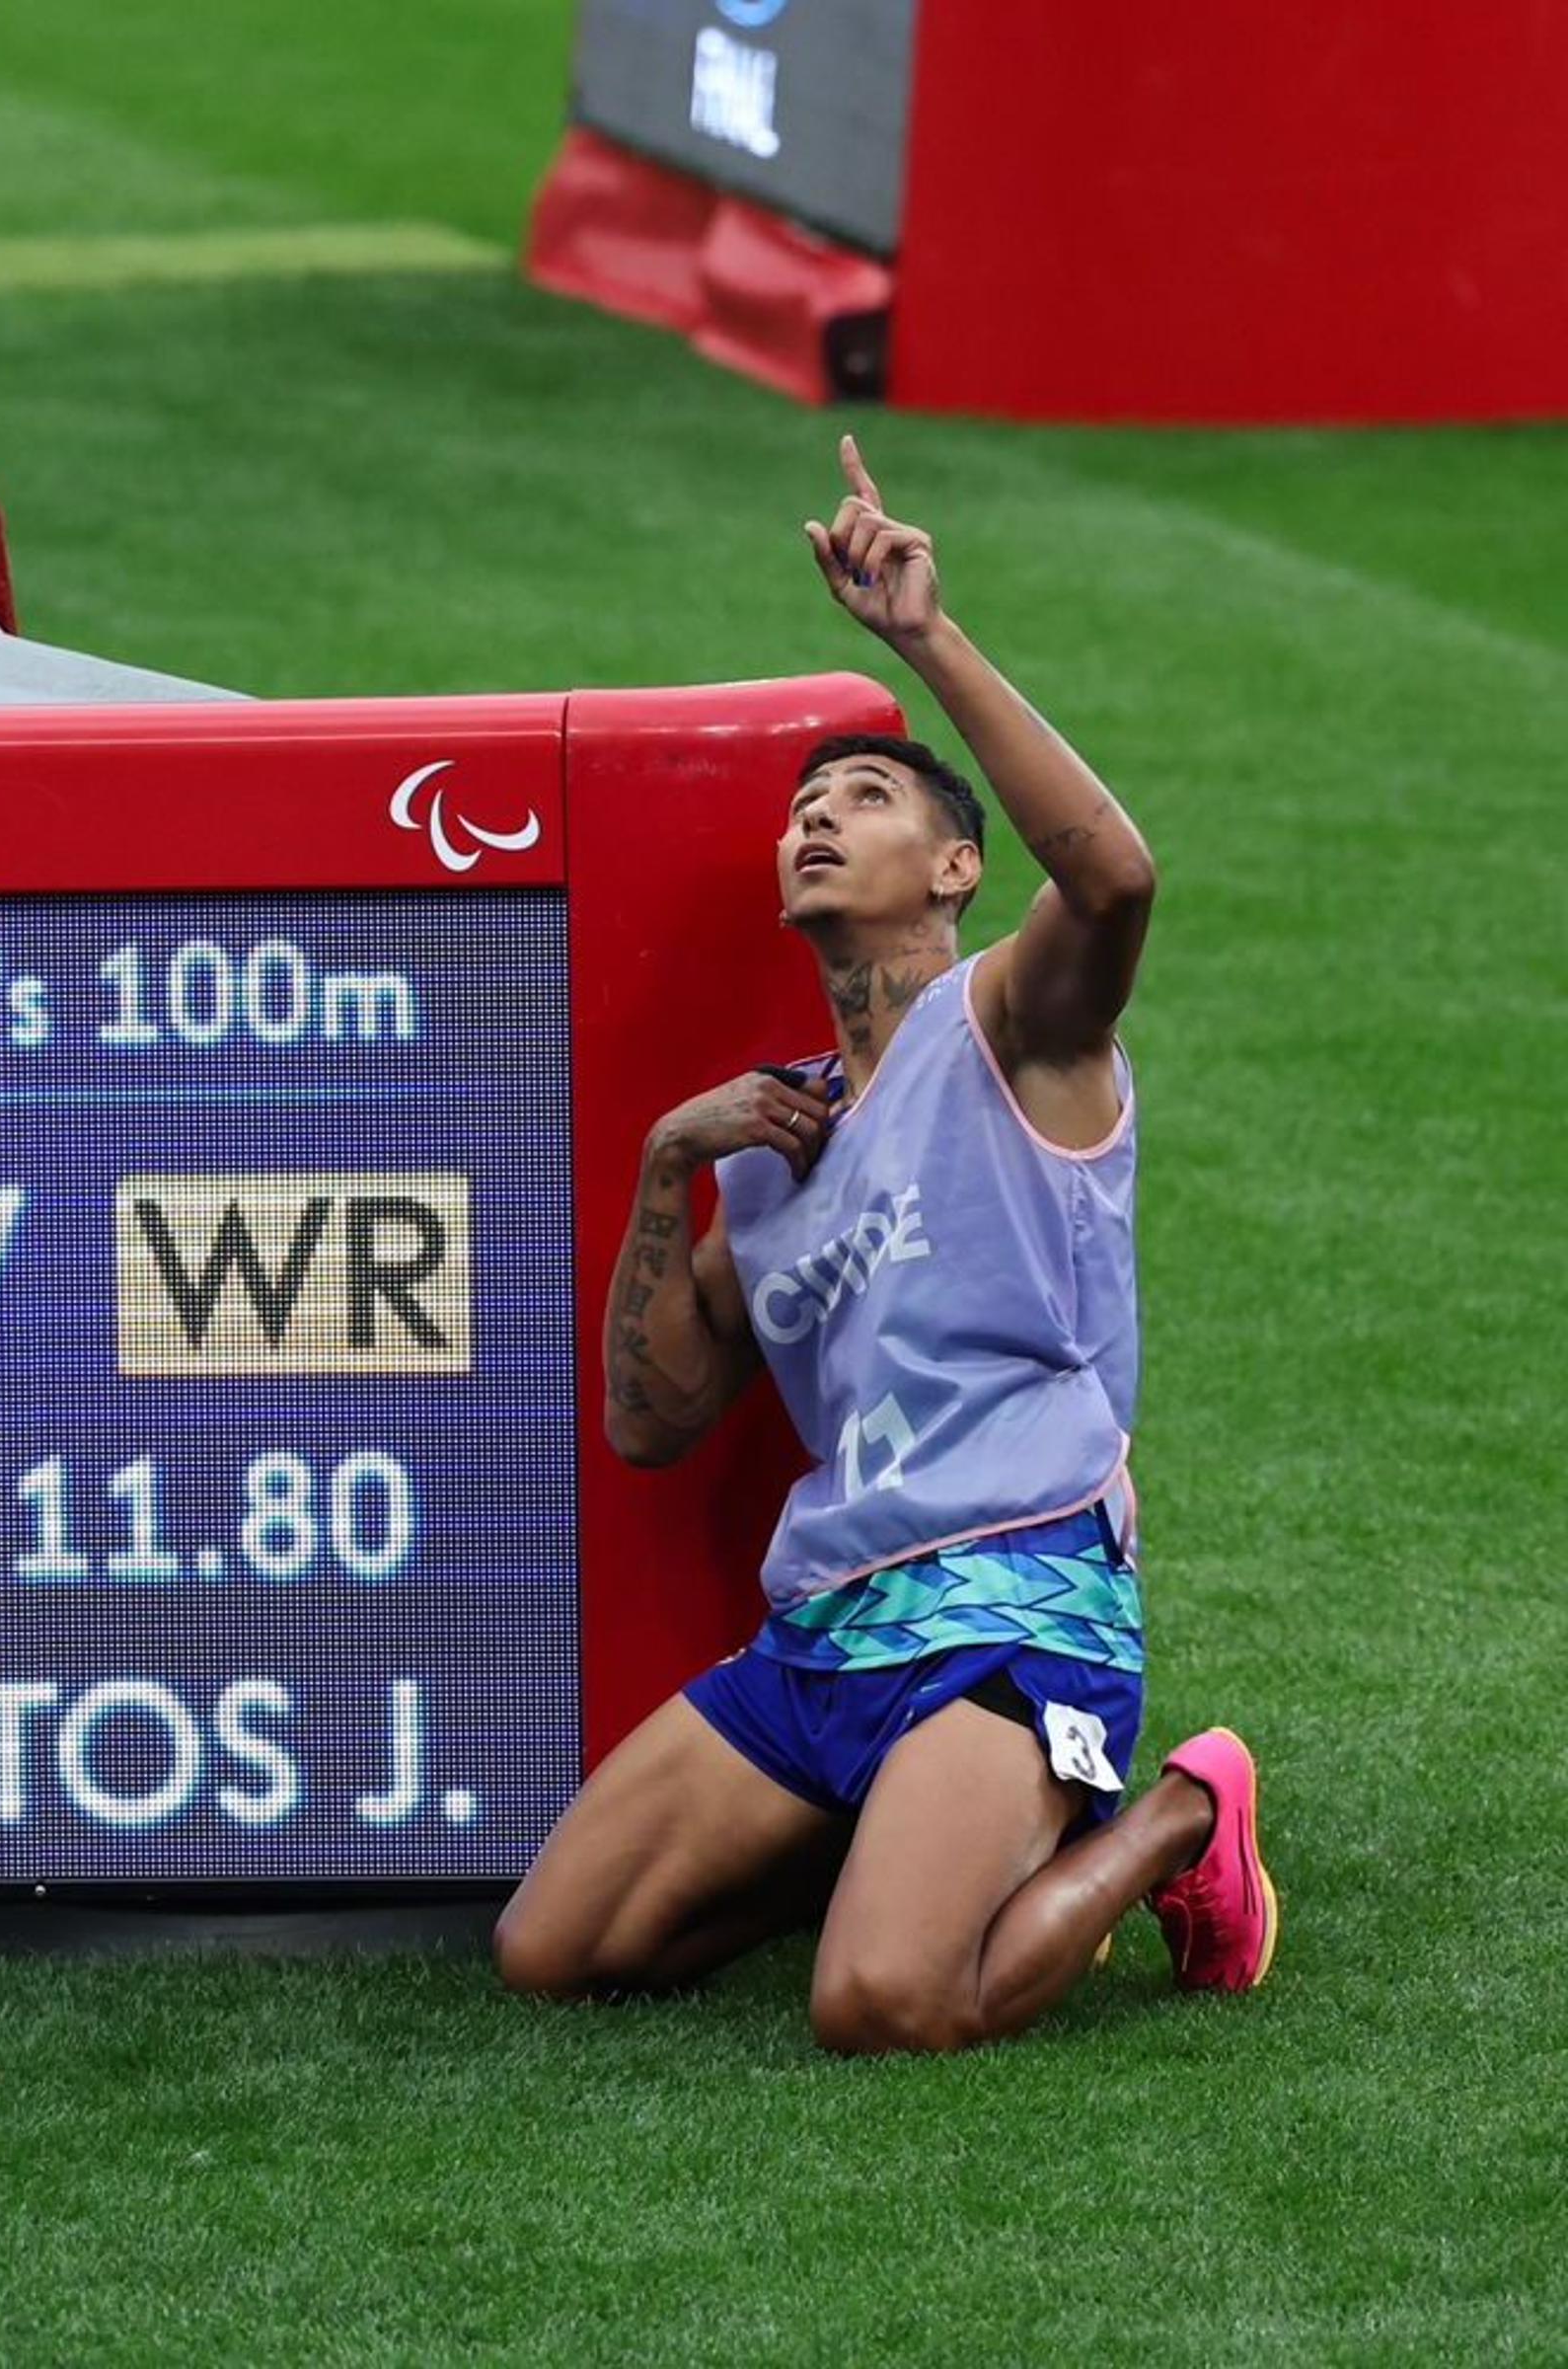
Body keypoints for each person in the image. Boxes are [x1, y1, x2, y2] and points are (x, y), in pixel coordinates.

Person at [492, 439, 1276, 2052]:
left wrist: (921, 638)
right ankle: (898, 1835)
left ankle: (1180, 1821)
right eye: (802, 810)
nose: (817, 824)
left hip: (1019, 1598)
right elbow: (650, 1429)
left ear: (957, 868)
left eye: (864, 801)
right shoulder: (767, 1141)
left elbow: (1118, 873)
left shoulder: (1013, 1028)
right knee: (552, 1952)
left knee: (885, 2004)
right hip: (826, 1628)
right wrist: (661, 1172)